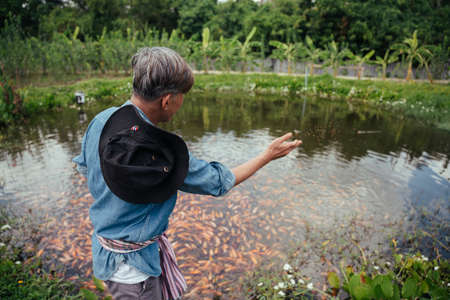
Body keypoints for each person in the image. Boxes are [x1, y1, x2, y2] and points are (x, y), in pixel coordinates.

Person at [73, 47, 302, 300]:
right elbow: (219, 181)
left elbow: (86, 168)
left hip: (106, 252)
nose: (182, 103)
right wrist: (267, 155)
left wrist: (116, 207)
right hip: (134, 273)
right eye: (183, 96)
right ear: (167, 100)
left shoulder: (101, 121)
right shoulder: (161, 150)